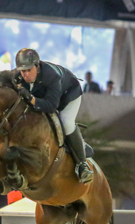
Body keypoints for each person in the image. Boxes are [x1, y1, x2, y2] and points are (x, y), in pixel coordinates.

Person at [13, 48, 93, 183]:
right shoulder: (18, 76)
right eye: (22, 71)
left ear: (37, 66)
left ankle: (82, 165)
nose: (25, 74)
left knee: (66, 122)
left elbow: (51, 106)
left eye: (28, 70)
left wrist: (31, 99)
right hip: (45, 97)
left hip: (68, 96)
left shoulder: (52, 75)